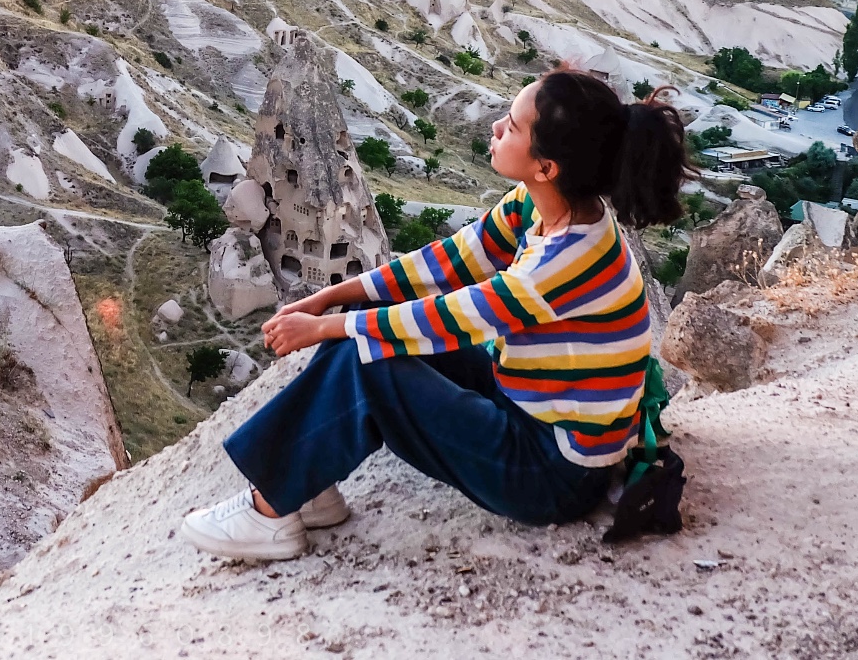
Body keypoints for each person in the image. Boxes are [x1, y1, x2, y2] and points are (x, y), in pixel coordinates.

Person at [181, 68, 688, 560]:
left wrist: (323, 327)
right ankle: (307, 486)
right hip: (529, 407)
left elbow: (450, 318)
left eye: (511, 126)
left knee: (368, 356)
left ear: (546, 166)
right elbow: (450, 261)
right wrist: (337, 296)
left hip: (553, 474)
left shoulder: (564, 262)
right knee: (366, 312)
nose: (495, 128)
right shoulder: (545, 207)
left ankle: (269, 515)